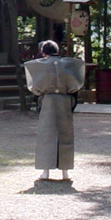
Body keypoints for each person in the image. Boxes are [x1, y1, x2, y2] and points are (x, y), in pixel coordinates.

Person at [24, 40, 84, 181]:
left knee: (46, 135)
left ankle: (45, 171)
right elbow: (76, 84)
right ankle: (65, 171)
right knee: (66, 134)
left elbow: (35, 88)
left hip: (49, 101)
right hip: (64, 100)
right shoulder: (68, 64)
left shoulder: (40, 65)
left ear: (44, 52)